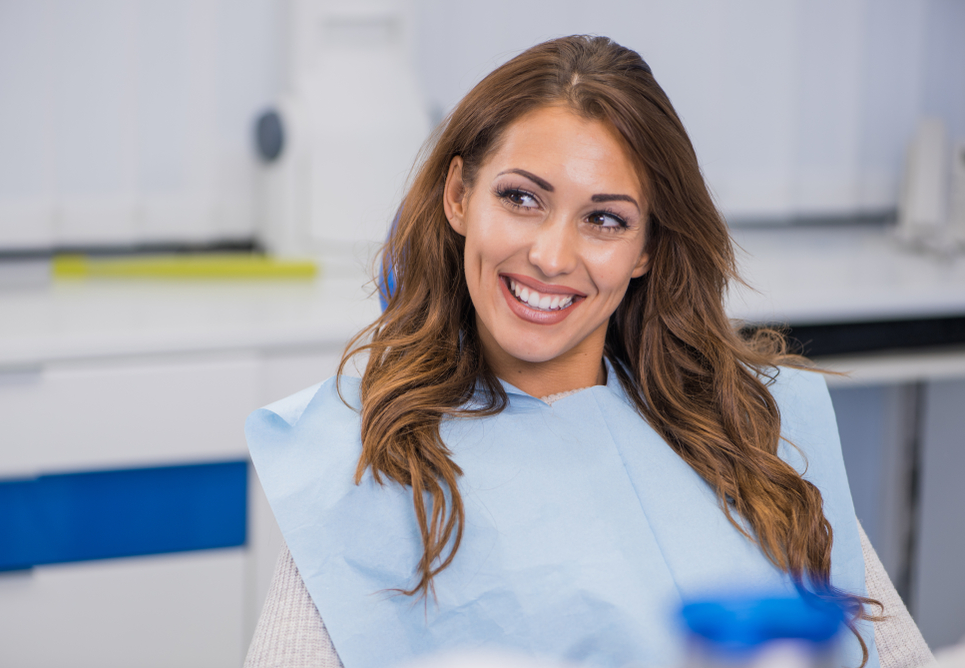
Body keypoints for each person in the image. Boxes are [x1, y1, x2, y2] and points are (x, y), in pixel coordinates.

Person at [245, 35, 932, 668]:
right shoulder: (365, 455)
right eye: (521, 198)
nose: (550, 256)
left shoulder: (748, 429)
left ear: (646, 250)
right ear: (460, 197)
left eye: (605, 219)